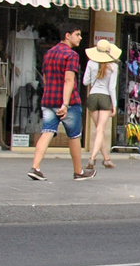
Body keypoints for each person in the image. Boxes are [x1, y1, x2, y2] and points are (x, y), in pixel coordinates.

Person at [28, 21, 92, 182]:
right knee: (74, 136)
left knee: (47, 132)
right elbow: (69, 80)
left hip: (49, 99)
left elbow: (46, 77)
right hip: (68, 102)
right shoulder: (71, 55)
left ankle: (35, 167)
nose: (80, 38)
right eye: (77, 34)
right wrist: (65, 104)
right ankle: (78, 172)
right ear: (67, 35)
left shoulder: (49, 53)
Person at [83, 38, 122, 169]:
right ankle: (92, 158)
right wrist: (114, 105)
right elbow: (112, 88)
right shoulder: (114, 67)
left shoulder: (90, 63)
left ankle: (106, 159)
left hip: (93, 96)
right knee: (101, 130)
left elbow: (85, 82)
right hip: (105, 97)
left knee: (99, 130)